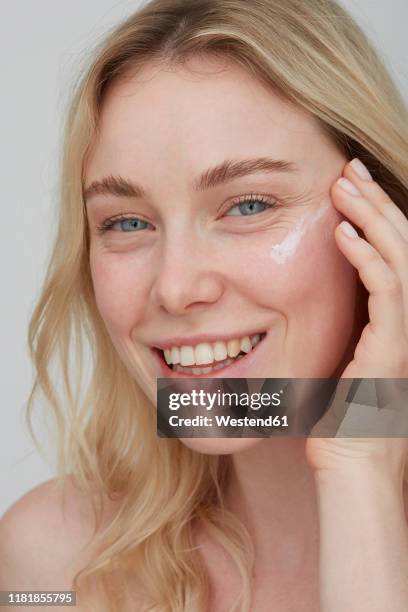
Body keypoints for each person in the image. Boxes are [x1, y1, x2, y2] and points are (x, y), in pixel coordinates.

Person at [1, 0, 408, 610]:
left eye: (248, 205)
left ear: (383, 218)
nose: (175, 286)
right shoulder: (52, 566)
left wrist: (360, 466)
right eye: (128, 221)